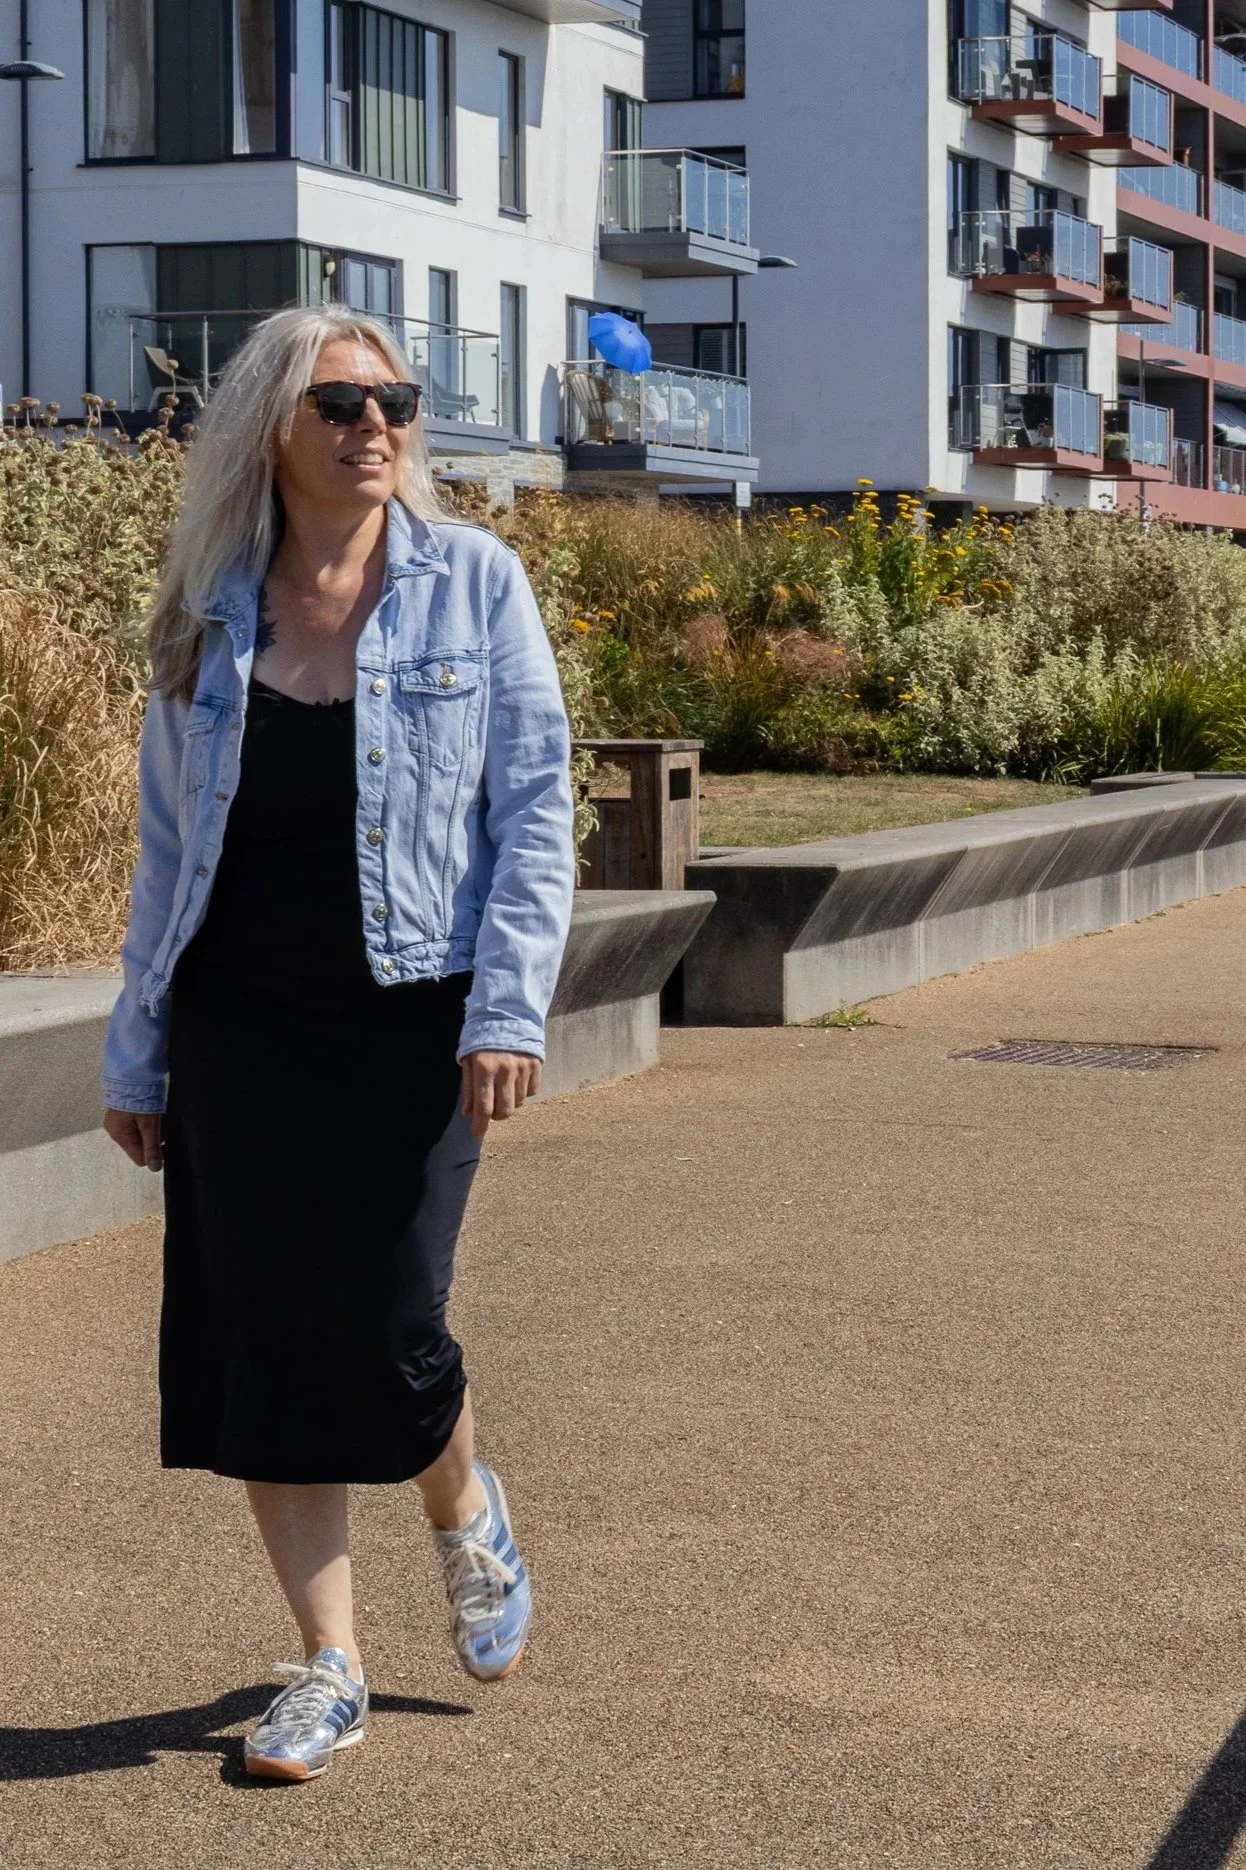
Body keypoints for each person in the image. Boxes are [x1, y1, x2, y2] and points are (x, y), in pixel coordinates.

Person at [99, 305, 576, 1782]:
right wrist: (139, 1045)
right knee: (259, 1335)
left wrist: (507, 1008)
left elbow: (536, 812)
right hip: (241, 1020)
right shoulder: (210, 609)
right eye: (341, 406)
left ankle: (458, 1502)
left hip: (412, 1012)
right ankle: (329, 1663)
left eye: (396, 403)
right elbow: (167, 847)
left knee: (385, 1325)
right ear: (272, 432)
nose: (376, 428)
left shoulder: (474, 585)